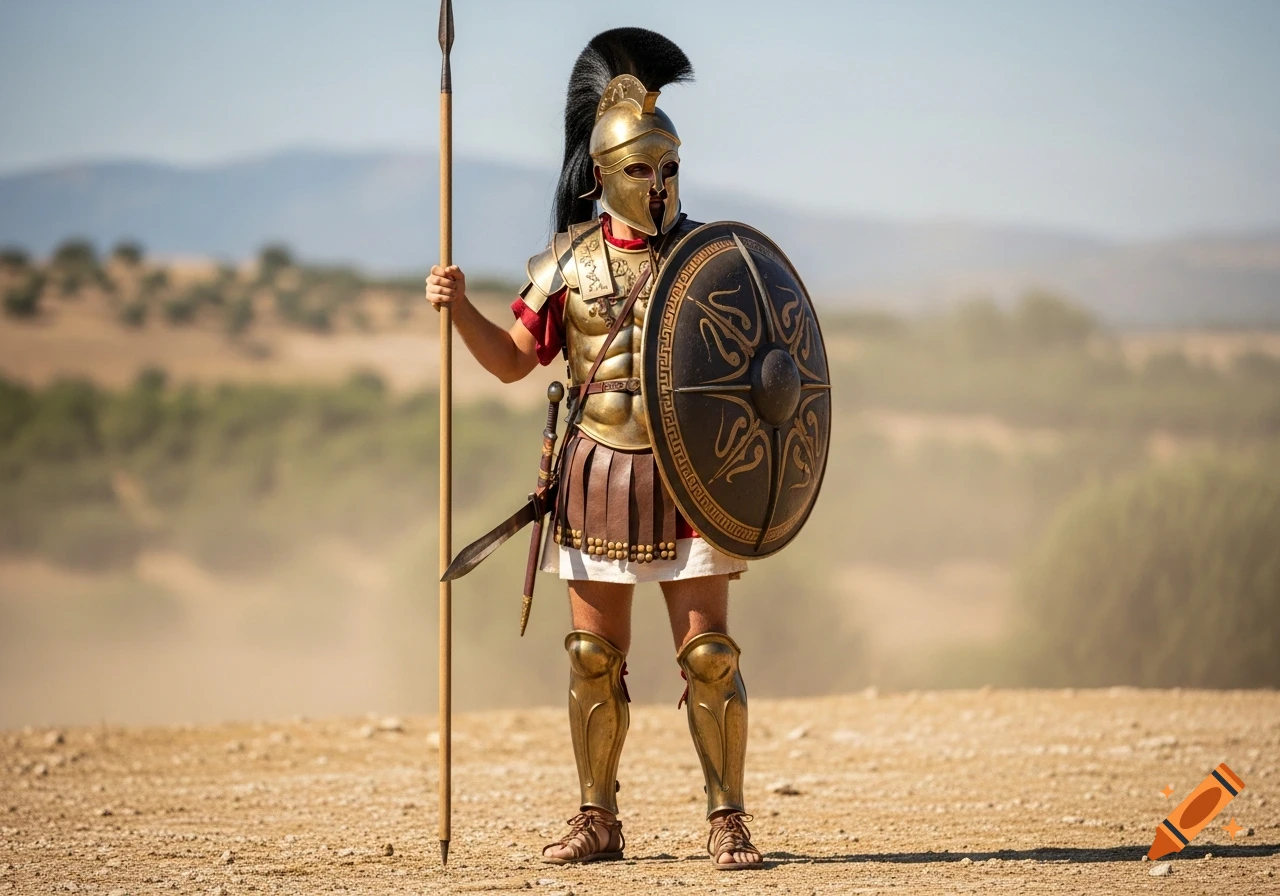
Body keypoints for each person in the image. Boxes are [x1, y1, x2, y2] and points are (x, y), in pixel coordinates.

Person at [425, 28, 764, 871]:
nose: (661, 183)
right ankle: (598, 819)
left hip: (693, 473)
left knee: (710, 656)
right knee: (591, 657)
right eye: (643, 169)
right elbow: (511, 361)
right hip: (600, 470)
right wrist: (458, 305)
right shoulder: (568, 263)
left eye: (670, 166)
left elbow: (764, 369)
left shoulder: (707, 258)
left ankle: (728, 819)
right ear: (607, 173)